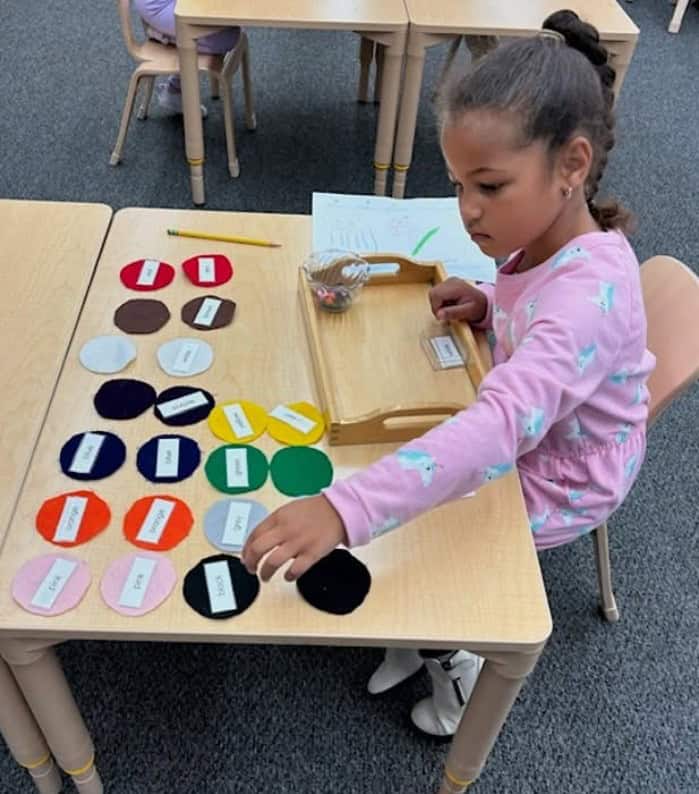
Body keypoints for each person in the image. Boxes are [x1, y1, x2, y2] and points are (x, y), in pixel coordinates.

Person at [242, 9, 656, 738]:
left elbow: (502, 425)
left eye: (488, 186)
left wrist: (342, 510)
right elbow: (539, 320)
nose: (467, 211)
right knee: (405, 467)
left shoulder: (587, 297)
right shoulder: (545, 233)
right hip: (529, 422)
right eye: (459, 183)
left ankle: (453, 662)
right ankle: (423, 630)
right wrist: (492, 301)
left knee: (424, 534)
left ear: (572, 166)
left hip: (565, 473)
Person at [133, 0, 241, 116]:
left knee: (227, 22)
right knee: (228, 35)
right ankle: (163, 35)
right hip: (159, 6)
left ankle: (176, 86)